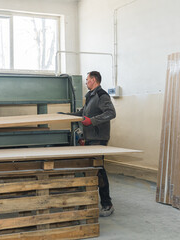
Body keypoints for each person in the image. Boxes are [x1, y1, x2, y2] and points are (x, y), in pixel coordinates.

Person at [71, 71, 116, 217]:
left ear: (94, 80)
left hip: (99, 138)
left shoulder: (102, 95)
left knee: (98, 169)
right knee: (91, 169)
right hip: (90, 137)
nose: (86, 82)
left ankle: (107, 204)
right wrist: (64, 115)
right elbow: (83, 114)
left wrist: (92, 121)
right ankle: (91, 200)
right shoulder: (90, 96)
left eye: (87, 79)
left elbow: (111, 113)